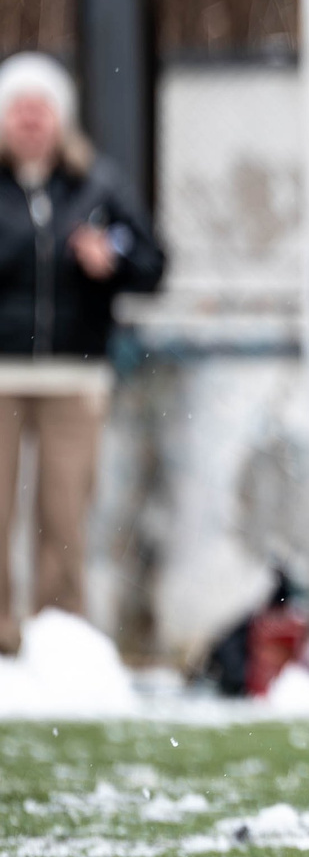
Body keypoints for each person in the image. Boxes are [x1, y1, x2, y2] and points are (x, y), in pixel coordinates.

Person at [0, 52, 164, 653]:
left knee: (64, 515)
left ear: (61, 119)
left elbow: (153, 265)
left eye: (41, 108)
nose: (30, 120)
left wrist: (109, 261)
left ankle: (58, 637)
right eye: (19, 108)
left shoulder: (99, 185)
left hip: (76, 374)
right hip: (2, 373)